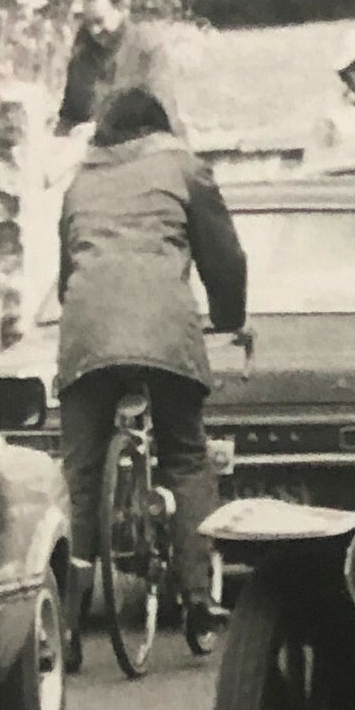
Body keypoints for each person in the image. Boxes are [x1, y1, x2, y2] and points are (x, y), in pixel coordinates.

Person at [56, 88, 247, 666]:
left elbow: (67, 273)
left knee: (80, 475)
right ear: (159, 128)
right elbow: (225, 259)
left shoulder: (80, 182)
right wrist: (229, 318)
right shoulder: (184, 168)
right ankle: (198, 598)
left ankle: (65, 621)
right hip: (164, 332)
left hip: (88, 334)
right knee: (186, 456)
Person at [54, 0, 183, 141]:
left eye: (99, 21)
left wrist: (99, 128)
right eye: (88, 23)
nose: (94, 31)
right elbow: (70, 115)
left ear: (120, 11)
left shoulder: (146, 48)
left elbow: (157, 110)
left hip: (146, 142)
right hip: (95, 148)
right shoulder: (82, 56)